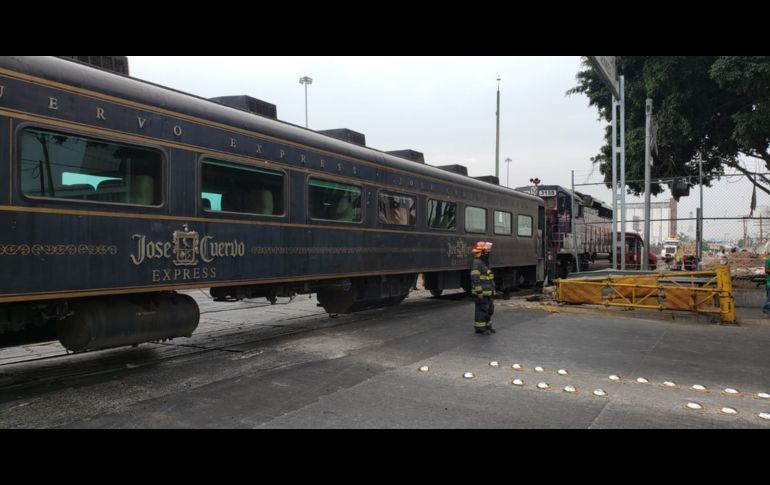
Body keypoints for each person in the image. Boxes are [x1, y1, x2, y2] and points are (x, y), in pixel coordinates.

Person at [470, 241, 496, 334]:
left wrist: (492, 289)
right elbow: (475, 279)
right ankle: (480, 328)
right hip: (482, 293)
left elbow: (489, 278)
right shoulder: (476, 263)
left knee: (489, 309)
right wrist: (479, 292)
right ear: (481, 252)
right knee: (482, 310)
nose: (488, 253)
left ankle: (487, 326)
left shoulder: (484, 263)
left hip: (488, 292)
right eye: (486, 251)